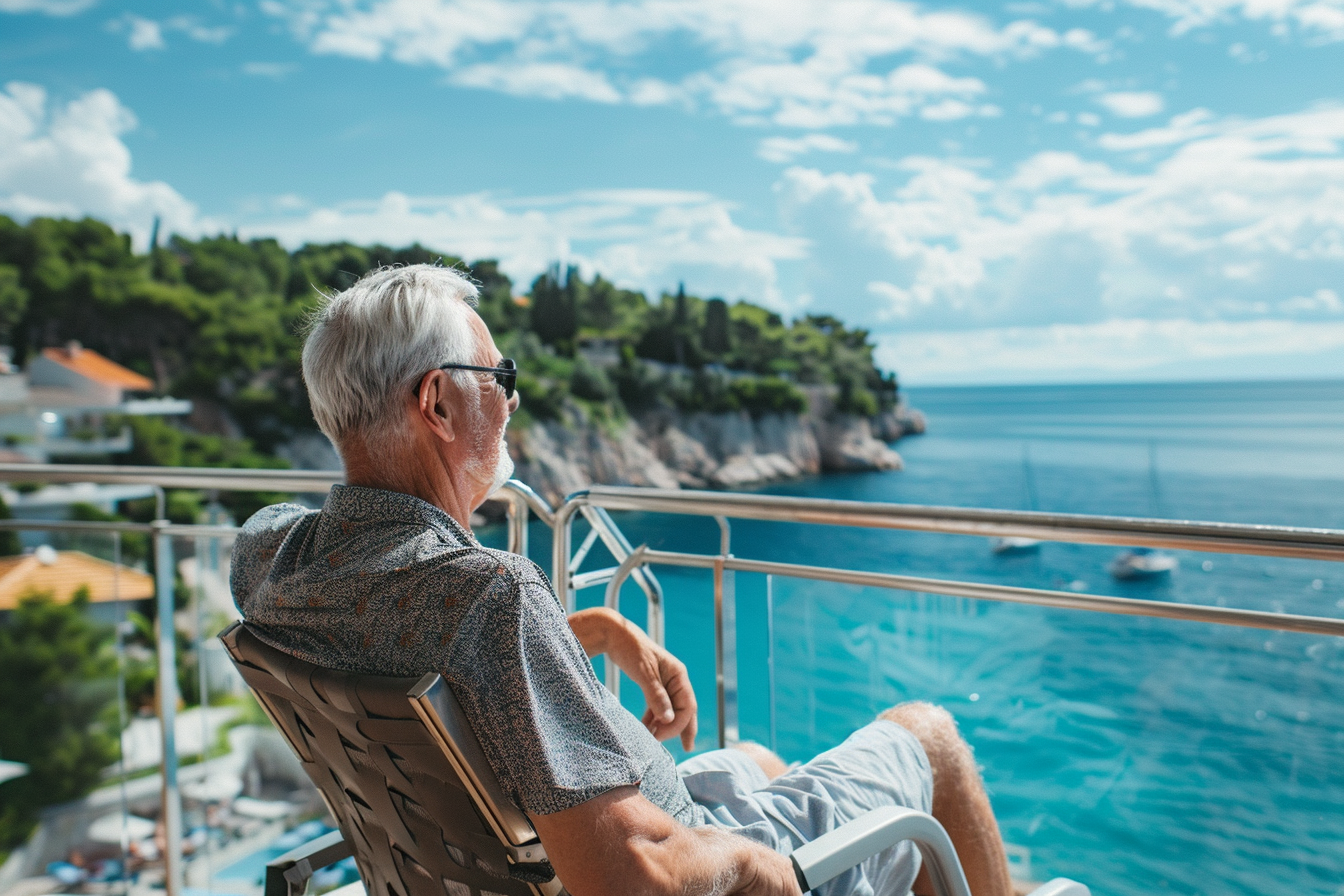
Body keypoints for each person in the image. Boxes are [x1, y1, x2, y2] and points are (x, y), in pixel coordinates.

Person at [231, 265, 1014, 896]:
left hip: (479, 863)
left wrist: (588, 635)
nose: (511, 398)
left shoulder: (268, 557)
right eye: (499, 375)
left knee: (763, 762)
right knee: (929, 737)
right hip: (675, 870)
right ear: (436, 400)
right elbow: (626, 882)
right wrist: (747, 863)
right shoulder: (488, 594)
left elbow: (417, 648)